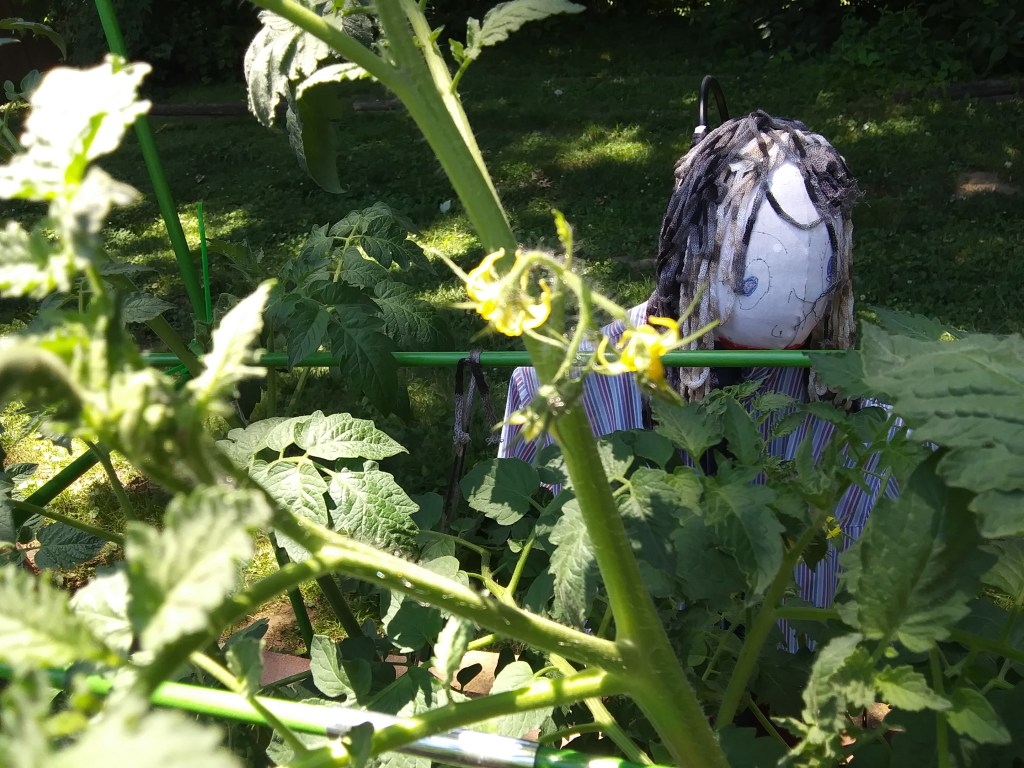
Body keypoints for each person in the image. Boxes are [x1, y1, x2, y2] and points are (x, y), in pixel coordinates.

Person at [498, 109, 898, 650]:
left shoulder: (869, 409)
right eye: (750, 278)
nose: (794, 301)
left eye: (818, 273)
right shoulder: (580, 381)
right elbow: (524, 517)